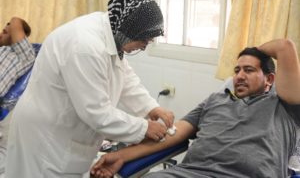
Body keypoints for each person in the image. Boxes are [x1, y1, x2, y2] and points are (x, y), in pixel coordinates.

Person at [5, 0, 174, 178]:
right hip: (46, 139)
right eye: (144, 39)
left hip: (66, 136)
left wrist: (151, 107)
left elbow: (125, 77)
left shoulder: (112, 32)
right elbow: (96, 112)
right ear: (129, 30)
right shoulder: (84, 46)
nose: (144, 45)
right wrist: (144, 127)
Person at [91, 39, 300, 178]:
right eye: (236, 70)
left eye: (249, 70)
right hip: (191, 173)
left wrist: (255, 51)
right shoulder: (216, 100)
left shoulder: (284, 106)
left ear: (270, 79)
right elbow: (173, 134)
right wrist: (121, 156)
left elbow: (285, 47)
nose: (239, 76)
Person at [0, 17, 35, 98]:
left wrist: (12, 27)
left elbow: (15, 21)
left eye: (9, 25)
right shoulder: (2, 48)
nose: (6, 26)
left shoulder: (25, 54)